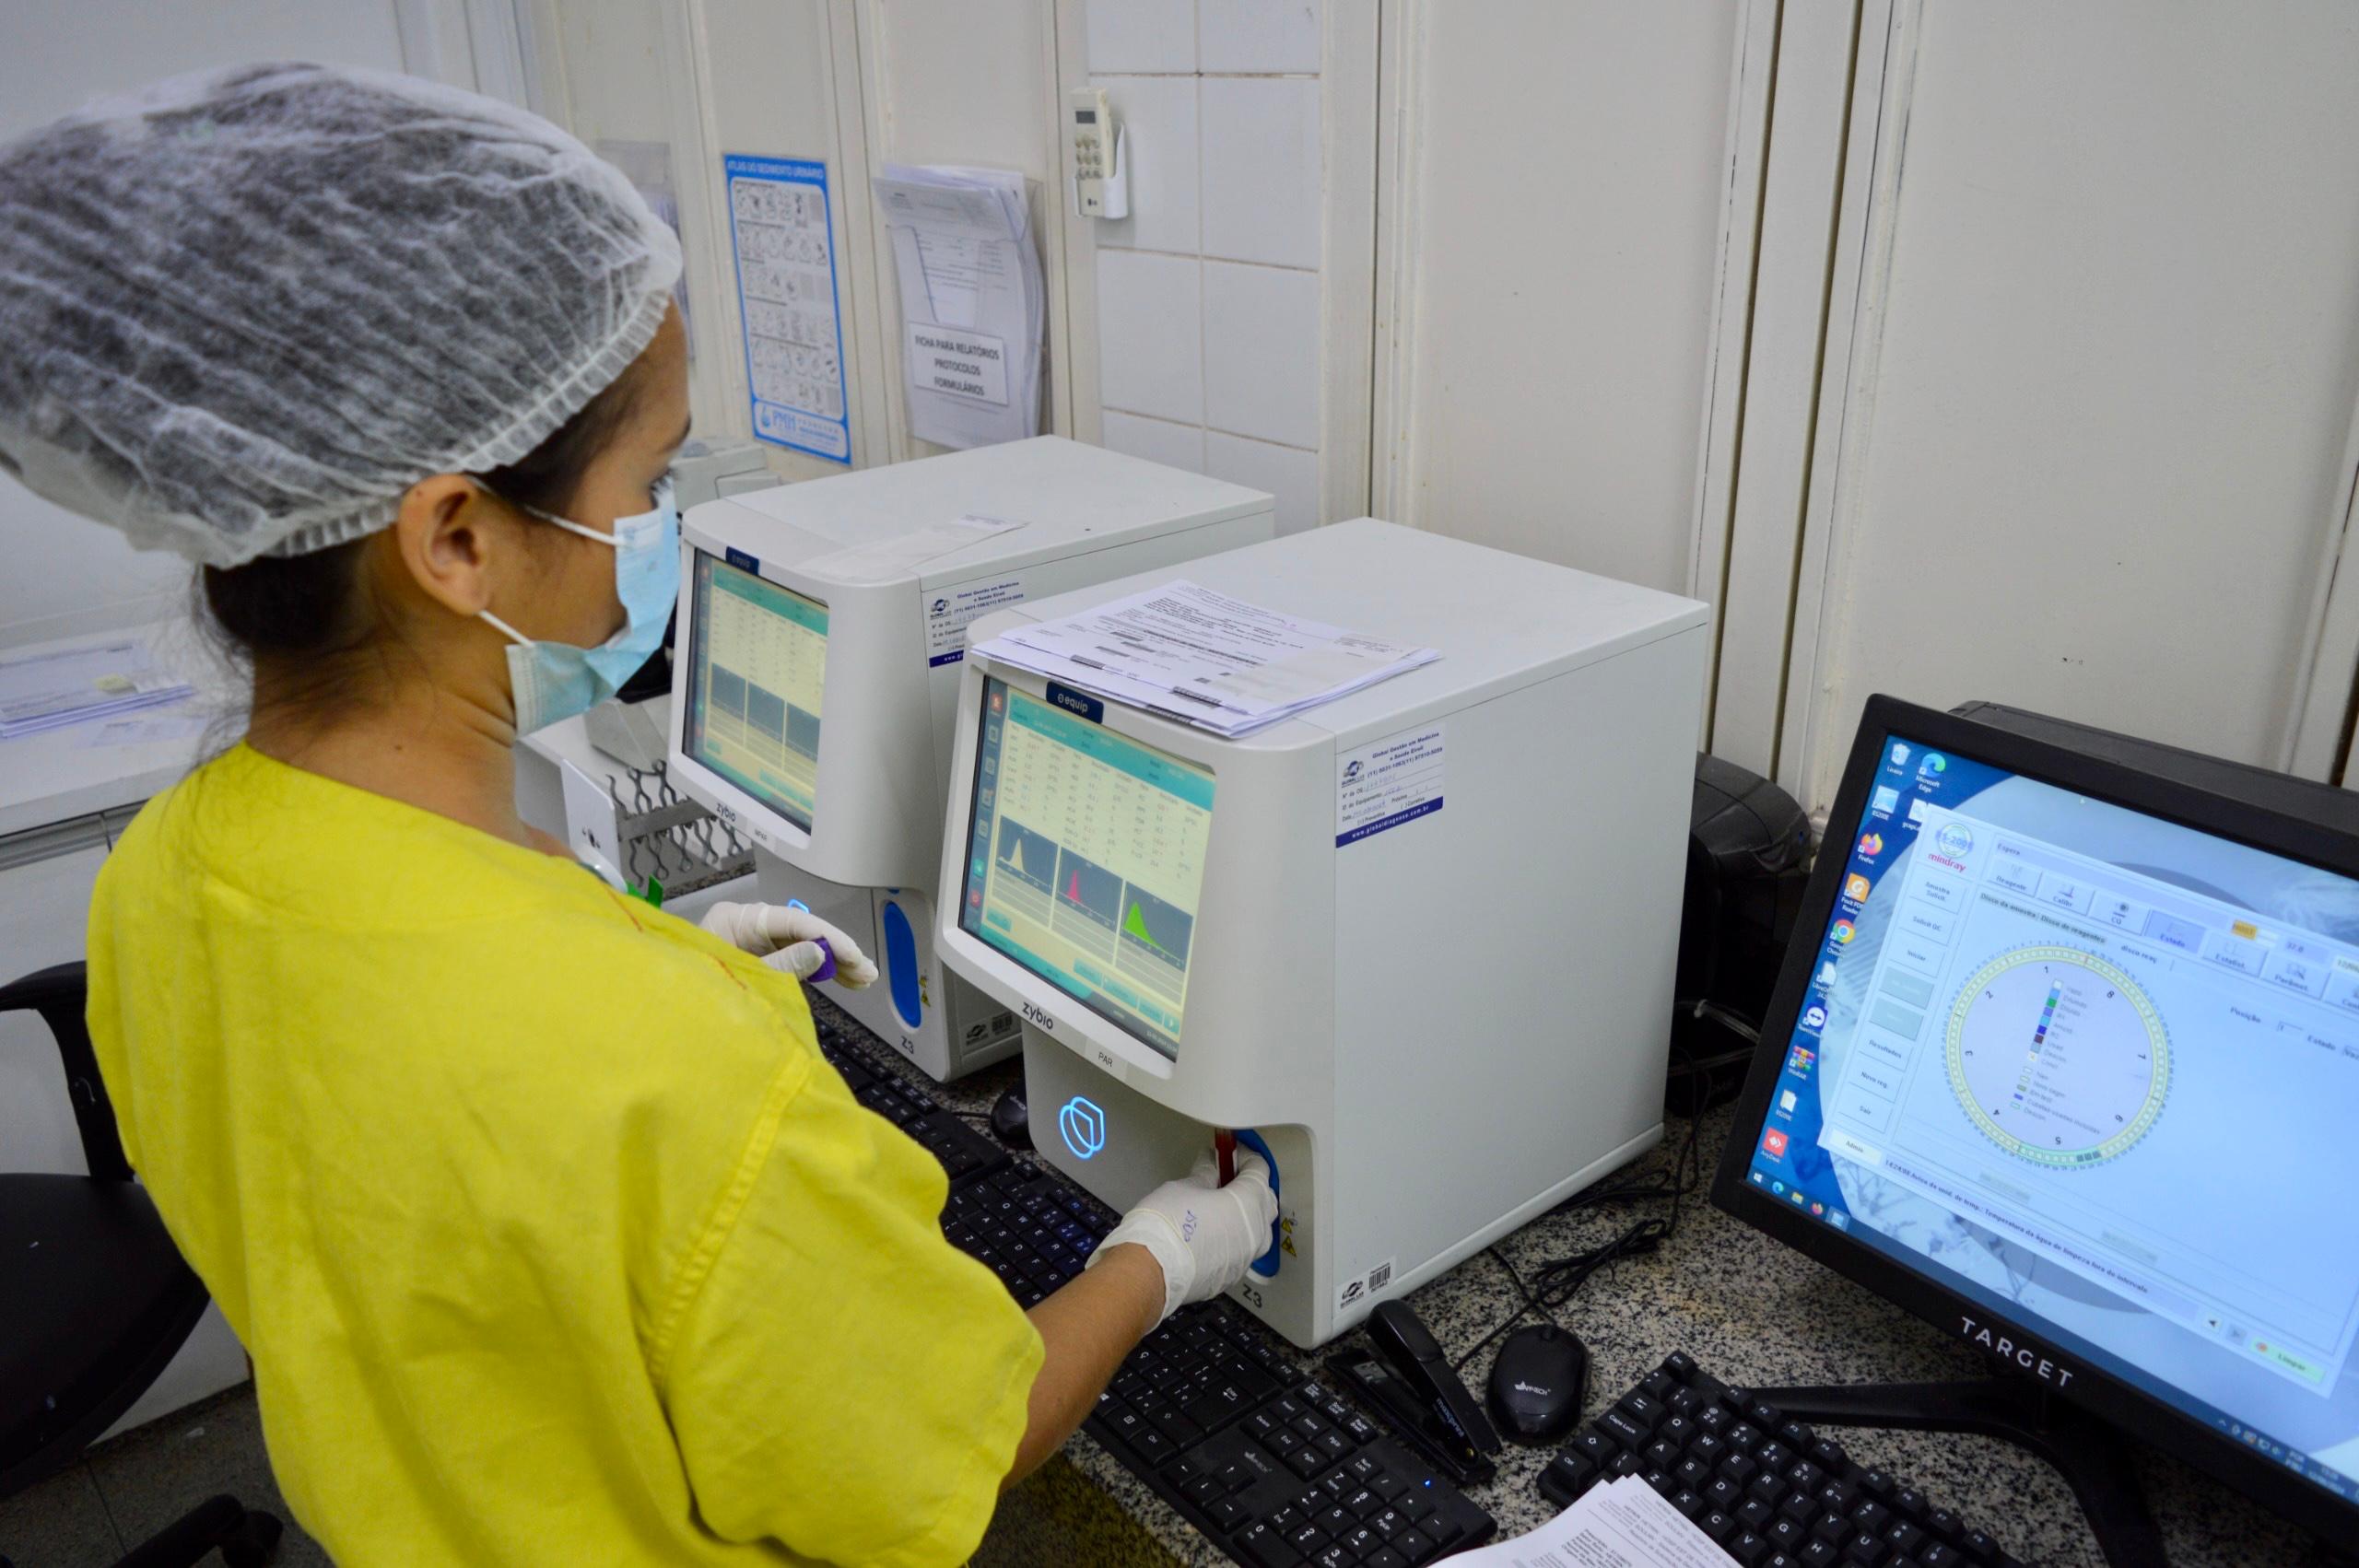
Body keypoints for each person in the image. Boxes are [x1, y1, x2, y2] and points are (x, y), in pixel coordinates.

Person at [0, 64, 1275, 1567]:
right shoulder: (679, 1069)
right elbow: (970, 1432)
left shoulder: (159, 879)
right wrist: (1162, 1252)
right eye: (650, 479)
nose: (662, 535)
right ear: (458, 536)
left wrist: (645, 947)